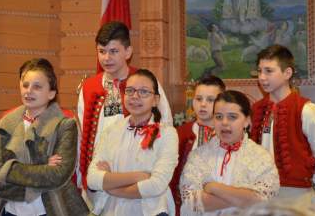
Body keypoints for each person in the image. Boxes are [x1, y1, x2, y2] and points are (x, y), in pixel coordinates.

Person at [78, 21, 173, 192]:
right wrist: (83, 177)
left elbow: (164, 124)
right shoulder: (89, 87)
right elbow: (82, 134)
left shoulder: (146, 83)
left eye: (114, 51)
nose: (107, 58)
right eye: (102, 51)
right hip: (100, 176)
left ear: (128, 52)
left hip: (139, 176)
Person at [0, 58, 89, 216]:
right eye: (25, 85)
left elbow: (56, 176)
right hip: (8, 211)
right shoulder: (7, 123)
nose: (29, 91)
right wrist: (42, 165)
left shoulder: (65, 125)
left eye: (37, 87)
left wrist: (8, 169)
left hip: (49, 210)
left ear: (51, 93)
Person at [87, 69, 178, 215]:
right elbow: (92, 179)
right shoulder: (111, 131)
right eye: (130, 91)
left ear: (155, 100)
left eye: (143, 92)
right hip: (112, 209)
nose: (135, 96)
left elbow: (156, 185)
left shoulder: (168, 134)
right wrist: (139, 176)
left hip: (152, 210)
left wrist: (111, 186)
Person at [180, 90, 280, 215]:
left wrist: (213, 187)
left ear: (247, 121)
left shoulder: (261, 157)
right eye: (219, 117)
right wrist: (242, 197)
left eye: (232, 117)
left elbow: (262, 201)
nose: (224, 123)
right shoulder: (199, 156)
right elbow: (191, 202)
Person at [251, 45, 315, 210]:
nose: (262, 77)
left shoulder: (306, 110)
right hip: (262, 193)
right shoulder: (257, 109)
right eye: (259, 71)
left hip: (298, 196)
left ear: (287, 73)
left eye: (269, 71)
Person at [170, 75, 226, 215]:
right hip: (185, 206)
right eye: (199, 99)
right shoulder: (181, 133)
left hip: (221, 205)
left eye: (210, 100)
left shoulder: (229, 134)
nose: (203, 104)